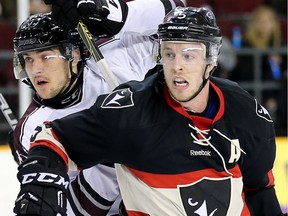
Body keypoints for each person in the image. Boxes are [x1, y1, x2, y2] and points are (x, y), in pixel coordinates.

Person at [13, 6, 285, 216]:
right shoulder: (129, 110)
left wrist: (109, 10)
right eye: (169, 54)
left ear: (211, 60)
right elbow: (53, 143)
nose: (177, 65)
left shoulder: (246, 111)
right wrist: (42, 176)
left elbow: (259, 188)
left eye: (188, 55)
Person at [11, 0, 184, 215]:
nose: (35, 69)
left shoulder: (112, 56)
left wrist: (120, 15)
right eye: (28, 59)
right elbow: (75, 207)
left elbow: (177, 15)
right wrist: (114, 155)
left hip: (172, 186)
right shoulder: (30, 130)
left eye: (46, 57)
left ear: (73, 55)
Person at [229, 5, 287, 136]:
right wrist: (267, 61)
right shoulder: (244, 45)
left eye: (268, 21)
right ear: (253, 24)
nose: (264, 24)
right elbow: (242, 73)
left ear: (274, 24)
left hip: (276, 92)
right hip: (249, 92)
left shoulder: (281, 46)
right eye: (260, 20)